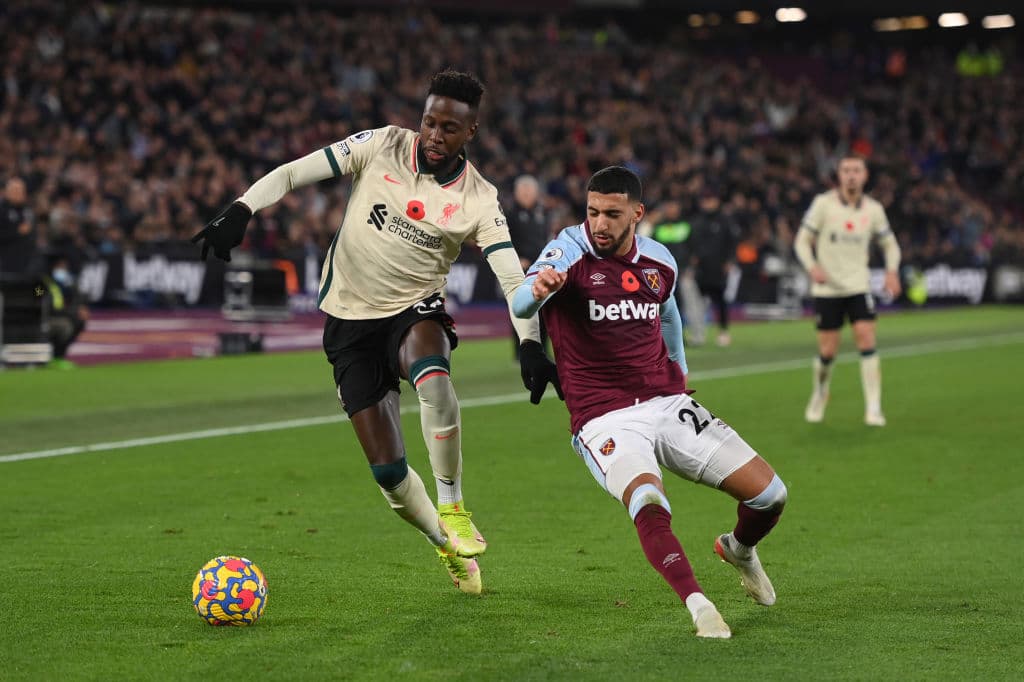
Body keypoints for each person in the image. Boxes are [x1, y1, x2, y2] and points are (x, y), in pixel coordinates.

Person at [192, 70, 561, 595]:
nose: (435, 135)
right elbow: (296, 173)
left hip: (415, 309)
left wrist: (528, 341)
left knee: (433, 378)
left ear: (471, 132)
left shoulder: (479, 198)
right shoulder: (381, 143)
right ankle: (445, 544)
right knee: (388, 474)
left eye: (450, 128)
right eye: (430, 122)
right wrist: (243, 207)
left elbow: (511, 279)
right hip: (348, 319)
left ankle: (454, 505)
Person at [512, 167, 787, 639]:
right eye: (592, 211)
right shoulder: (568, 249)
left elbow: (669, 311)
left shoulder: (660, 261)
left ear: (637, 214)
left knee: (770, 495)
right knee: (647, 498)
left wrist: (679, 371)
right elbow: (520, 303)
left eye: (612, 214)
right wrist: (535, 292)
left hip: (664, 400)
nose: (599, 223)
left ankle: (738, 549)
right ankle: (699, 605)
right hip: (604, 416)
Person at [795, 154, 901, 426]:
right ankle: (820, 394)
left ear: (865, 175)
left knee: (866, 339)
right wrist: (811, 266)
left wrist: (891, 271)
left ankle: (874, 408)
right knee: (828, 351)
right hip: (827, 289)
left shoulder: (873, 209)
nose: (851, 175)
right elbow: (802, 241)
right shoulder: (823, 204)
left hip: (858, 286)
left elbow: (890, 244)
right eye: (846, 170)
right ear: (839, 175)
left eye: (856, 170)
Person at [506, 174, 550, 358]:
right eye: (522, 191)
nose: (525, 194)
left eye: (529, 191)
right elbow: (504, 243)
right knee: (521, 310)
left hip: (541, 269)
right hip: (521, 270)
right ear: (516, 194)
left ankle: (543, 350)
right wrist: (516, 260)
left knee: (543, 311)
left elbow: (547, 239)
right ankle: (521, 352)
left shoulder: (542, 213)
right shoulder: (509, 215)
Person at [688, 186, 738, 347]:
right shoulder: (696, 221)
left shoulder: (725, 220)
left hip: (719, 268)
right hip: (701, 269)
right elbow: (691, 243)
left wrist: (730, 261)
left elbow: (732, 243)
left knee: (720, 301)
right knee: (698, 303)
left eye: (710, 200)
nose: (707, 203)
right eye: (705, 200)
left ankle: (723, 331)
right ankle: (699, 333)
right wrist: (692, 260)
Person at [0, 177, 39, 277]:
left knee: (37, 289)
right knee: (12, 290)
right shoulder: (2, 210)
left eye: (22, 190)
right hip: (6, 263)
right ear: (7, 192)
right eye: (16, 190)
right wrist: (17, 232)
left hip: (28, 262)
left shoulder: (28, 210)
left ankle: (39, 293)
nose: (20, 193)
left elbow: (33, 231)